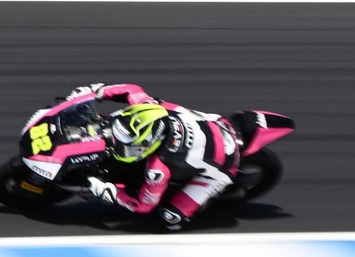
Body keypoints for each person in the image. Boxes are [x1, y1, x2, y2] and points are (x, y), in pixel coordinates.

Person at [59, 82, 241, 231]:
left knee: (171, 218)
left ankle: (205, 198)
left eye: (129, 147)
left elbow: (143, 206)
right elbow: (131, 89)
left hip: (224, 165)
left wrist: (108, 191)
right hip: (215, 124)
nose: (120, 149)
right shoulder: (149, 108)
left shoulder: (158, 170)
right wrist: (95, 92)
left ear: (151, 144)